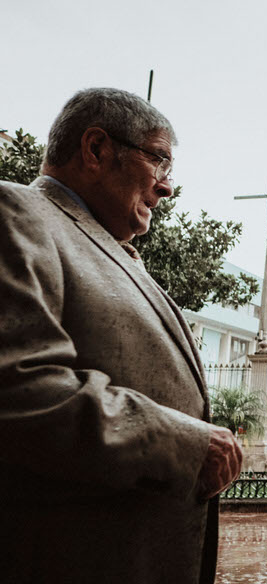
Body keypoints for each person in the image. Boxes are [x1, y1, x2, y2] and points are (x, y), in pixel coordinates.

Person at [0, 88, 243, 583]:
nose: (167, 187)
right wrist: (186, 443)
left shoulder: (111, 246)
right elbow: (20, 386)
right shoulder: (19, 213)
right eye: (159, 161)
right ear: (95, 150)